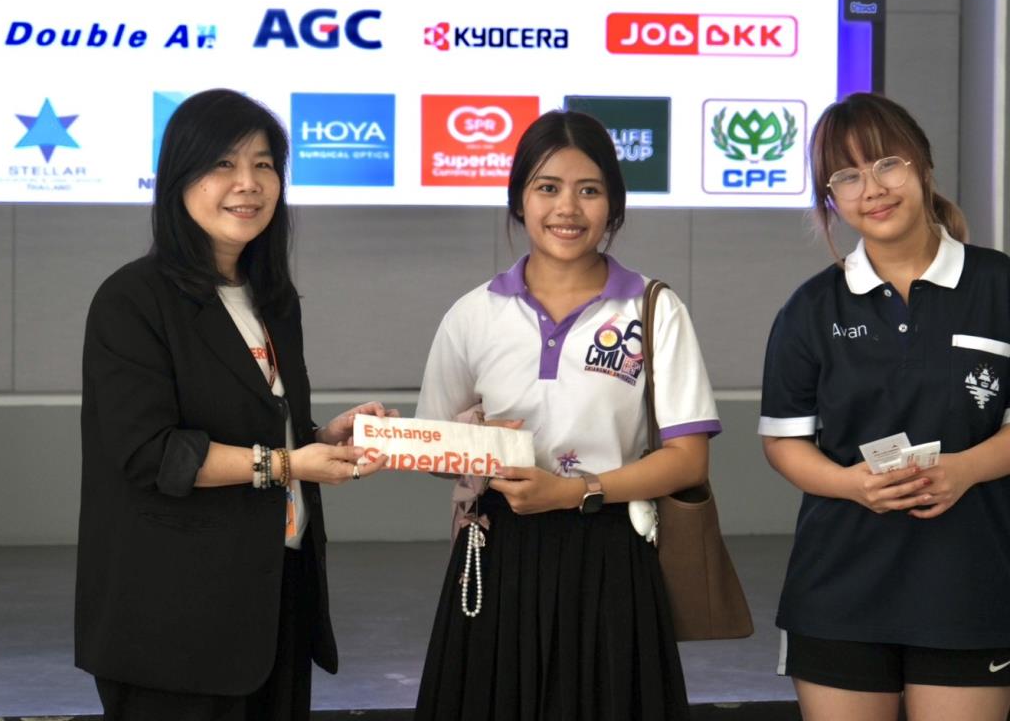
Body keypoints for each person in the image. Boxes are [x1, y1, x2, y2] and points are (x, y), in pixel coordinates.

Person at [75, 88, 390, 720]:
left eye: (263, 164)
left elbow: (255, 424)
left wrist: (322, 438)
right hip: (173, 623)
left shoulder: (272, 298)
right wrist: (289, 464)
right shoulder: (132, 299)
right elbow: (152, 453)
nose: (248, 183)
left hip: (275, 603)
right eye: (223, 163)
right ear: (179, 178)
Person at [413, 110, 721, 721]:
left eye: (589, 190)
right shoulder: (473, 314)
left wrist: (574, 491)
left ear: (614, 205)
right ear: (519, 200)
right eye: (547, 187)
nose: (567, 209)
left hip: (611, 553)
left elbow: (688, 461)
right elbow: (434, 450)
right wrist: (475, 446)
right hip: (498, 551)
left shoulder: (654, 309)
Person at [758, 92, 1010, 720]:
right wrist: (850, 484)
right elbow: (784, 440)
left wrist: (966, 469)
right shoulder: (811, 307)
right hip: (838, 587)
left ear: (922, 165)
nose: (872, 188)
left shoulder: (997, 284)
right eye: (846, 176)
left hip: (971, 584)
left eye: (887, 163)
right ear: (831, 199)